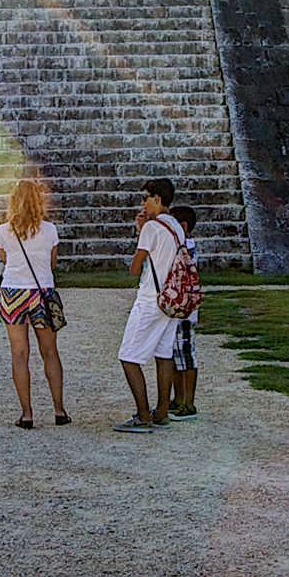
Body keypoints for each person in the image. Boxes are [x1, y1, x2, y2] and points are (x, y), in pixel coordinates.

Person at [0, 174, 69, 429]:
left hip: (13, 291)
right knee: (50, 352)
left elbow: (5, 260)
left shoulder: (2, 231)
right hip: (43, 292)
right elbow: (52, 263)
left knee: (19, 354)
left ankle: (27, 413)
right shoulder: (49, 230)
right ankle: (59, 409)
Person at [114, 176, 181, 432]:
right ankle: (162, 410)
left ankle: (143, 414)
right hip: (171, 298)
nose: (143, 203)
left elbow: (135, 267)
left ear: (157, 198)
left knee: (128, 356)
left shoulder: (152, 228)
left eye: (145, 197)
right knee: (164, 355)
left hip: (150, 298)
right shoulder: (175, 226)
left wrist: (141, 231)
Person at [164, 202, 202, 418]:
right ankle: (178, 398)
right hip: (176, 309)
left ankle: (188, 402)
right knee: (173, 355)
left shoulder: (186, 245)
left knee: (186, 356)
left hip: (184, 310)